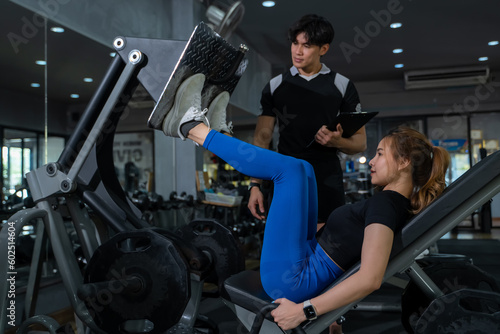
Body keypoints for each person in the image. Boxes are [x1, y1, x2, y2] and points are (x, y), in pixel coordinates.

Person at [154, 73, 451, 332]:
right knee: (304, 169)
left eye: (381, 154)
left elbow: (371, 278)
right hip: (303, 261)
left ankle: (191, 127)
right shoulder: (390, 203)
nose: (371, 161)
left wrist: (305, 310)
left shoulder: (386, 206)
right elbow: (347, 251)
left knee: (290, 171)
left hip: (293, 280)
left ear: (405, 163)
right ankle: (214, 134)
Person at [249, 14, 367, 226]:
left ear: (323, 49)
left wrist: (337, 142)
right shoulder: (275, 86)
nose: (298, 51)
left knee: (326, 246)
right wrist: (254, 185)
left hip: (326, 180)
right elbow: (262, 139)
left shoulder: (342, 85)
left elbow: (361, 143)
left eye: (307, 45)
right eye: (295, 43)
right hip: (285, 177)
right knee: (287, 244)